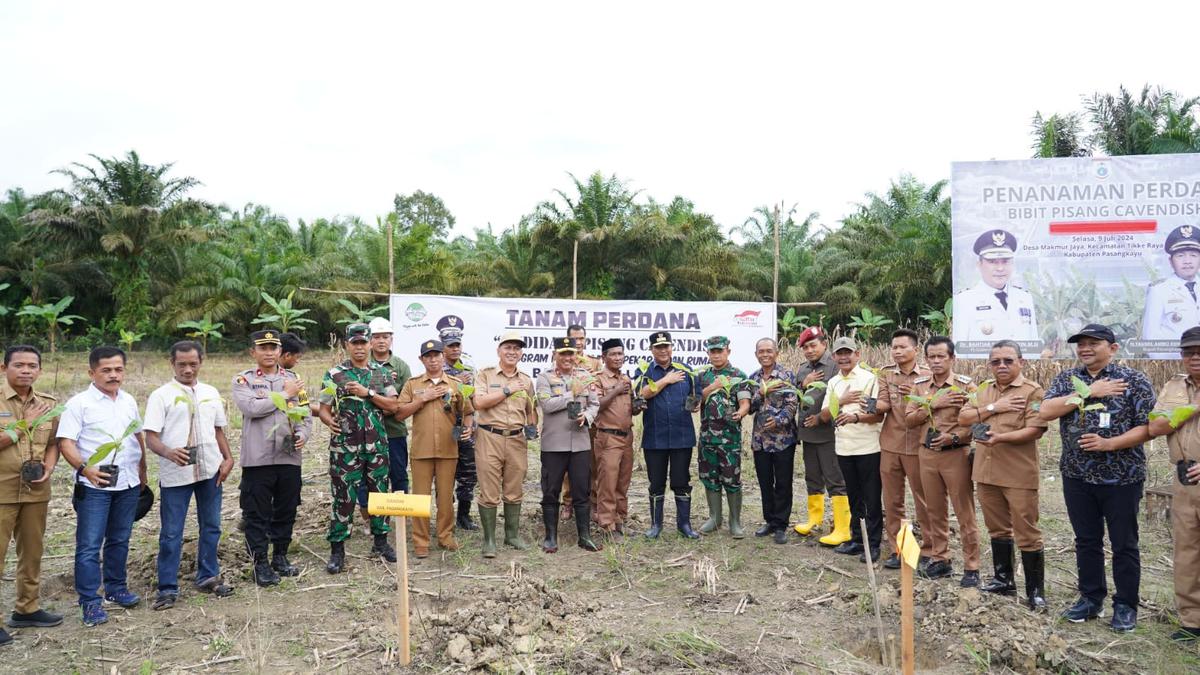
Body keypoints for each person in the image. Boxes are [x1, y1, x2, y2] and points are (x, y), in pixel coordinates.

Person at [1040, 323, 1154, 631]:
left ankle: (1126, 605)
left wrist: (1109, 444)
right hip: (1076, 476)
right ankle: (1091, 599)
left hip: (1122, 478)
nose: (1085, 348)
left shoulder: (1134, 380)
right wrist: (1089, 392)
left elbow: (1148, 427)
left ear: (1113, 348)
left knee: (1124, 544)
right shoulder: (1068, 379)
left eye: (1094, 343)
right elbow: (1045, 410)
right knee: (1086, 541)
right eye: (1081, 343)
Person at [57, 346, 147, 626]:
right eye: (106, 370)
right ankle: (90, 602)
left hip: (128, 482)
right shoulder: (79, 403)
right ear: (92, 372)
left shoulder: (129, 400)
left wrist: (142, 468)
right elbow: (66, 443)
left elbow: (136, 435)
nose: (113, 375)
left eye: (118, 369)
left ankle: (116, 588)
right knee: (89, 545)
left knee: (120, 539)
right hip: (94, 486)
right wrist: (86, 469)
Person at [959, 340, 1051, 608]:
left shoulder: (1032, 392)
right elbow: (964, 418)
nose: (1001, 366)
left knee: (1027, 531)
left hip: (1017, 472)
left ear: (1021, 362)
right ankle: (1004, 580)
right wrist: (992, 409)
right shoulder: (983, 390)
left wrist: (1001, 438)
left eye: (1008, 360)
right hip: (986, 472)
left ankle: (1035, 592)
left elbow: (1036, 429)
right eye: (995, 361)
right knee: (997, 528)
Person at [143, 341, 235, 610]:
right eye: (182, 364)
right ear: (172, 363)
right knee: (172, 533)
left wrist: (228, 458)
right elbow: (151, 437)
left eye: (193, 364)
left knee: (212, 525)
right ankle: (168, 587)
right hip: (176, 473)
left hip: (210, 469)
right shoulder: (161, 396)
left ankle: (208, 575)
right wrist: (168, 452)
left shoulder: (210, 392)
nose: (187, 369)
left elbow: (218, 430)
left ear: (201, 362)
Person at [232, 330, 312, 587]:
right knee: (257, 513)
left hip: (289, 456)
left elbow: (305, 413)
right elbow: (251, 409)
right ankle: (260, 564)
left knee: (286, 509)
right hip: (258, 459)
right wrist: (284, 395)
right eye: (263, 348)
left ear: (280, 352)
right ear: (252, 352)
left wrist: (302, 434)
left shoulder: (293, 379)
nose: (268, 352)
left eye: (273, 348)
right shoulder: (243, 381)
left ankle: (280, 556)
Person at [318, 323, 400, 573]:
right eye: (355, 343)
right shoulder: (335, 374)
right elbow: (323, 405)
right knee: (343, 497)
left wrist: (368, 393)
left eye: (364, 342)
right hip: (345, 448)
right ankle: (337, 550)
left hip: (376, 447)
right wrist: (327, 419)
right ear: (347, 345)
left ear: (371, 344)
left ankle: (380, 542)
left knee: (379, 495)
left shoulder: (381, 373)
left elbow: (392, 406)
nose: (360, 347)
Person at [904, 336, 980, 587]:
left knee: (964, 510)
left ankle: (972, 566)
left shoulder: (964, 387)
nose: (936, 361)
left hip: (955, 455)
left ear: (952, 358)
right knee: (933, 509)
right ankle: (940, 558)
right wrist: (933, 404)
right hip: (927, 455)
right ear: (926, 359)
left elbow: (977, 424)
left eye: (941, 357)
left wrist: (954, 437)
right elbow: (909, 419)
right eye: (932, 357)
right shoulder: (920, 386)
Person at [0, 345, 62, 641]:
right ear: (4, 368)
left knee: (32, 553)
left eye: (32, 365)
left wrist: (50, 466)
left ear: (40, 370)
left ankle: (27, 609)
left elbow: (54, 442)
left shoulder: (49, 403)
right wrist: (23, 424)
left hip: (36, 490)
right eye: (19, 365)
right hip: (2, 490)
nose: (26, 370)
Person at [396, 339, 473, 557]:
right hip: (421, 450)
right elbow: (400, 413)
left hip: (448, 449)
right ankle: (421, 541)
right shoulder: (413, 384)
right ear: (422, 360)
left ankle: (445, 536)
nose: (433, 360)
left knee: (446, 496)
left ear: (443, 356)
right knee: (420, 497)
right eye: (428, 356)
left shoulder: (456, 384)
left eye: (436, 355)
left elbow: (467, 411)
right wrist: (423, 399)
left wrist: (468, 428)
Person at [1148, 326, 1200, 642]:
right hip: (1184, 480)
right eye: (1188, 352)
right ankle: (1192, 621)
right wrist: (1192, 408)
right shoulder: (1174, 386)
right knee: (1187, 551)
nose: (1194, 358)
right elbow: (1156, 426)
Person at [471, 331, 538, 558]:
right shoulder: (486, 376)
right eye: (508, 347)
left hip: (517, 439)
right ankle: (489, 540)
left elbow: (531, 410)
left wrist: (532, 425)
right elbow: (479, 403)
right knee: (489, 490)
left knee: (514, 488)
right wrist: (508, 390)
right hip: (490, 437)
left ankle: (512, 535)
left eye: (517, 349)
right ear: (499, 350)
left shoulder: (527, 380)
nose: (512, 352)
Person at [819, 337, 885, 563]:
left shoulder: (870, 379)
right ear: (834, 357)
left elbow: (878, 414)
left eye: (848, 352)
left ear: (857, 354)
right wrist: (840, 400)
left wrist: (855, 417)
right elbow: (825, 415)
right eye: (839, 353)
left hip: (868, 447)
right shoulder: (833, 383)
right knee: (854, 496)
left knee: (872, 497)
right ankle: (857, 539)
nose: (844, 357)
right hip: (844, 448)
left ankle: (873, 543)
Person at [536, 337, 602, 552]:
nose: (567, 358)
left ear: (576, 355)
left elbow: (594, 404)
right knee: (551, 490)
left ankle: (585, 536)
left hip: (580, 444)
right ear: (555, 354)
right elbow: (546, 405)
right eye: (562, 353)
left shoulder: (585, 377)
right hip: (554, 444)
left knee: (581, 491)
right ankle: (550, 537)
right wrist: (571, 393)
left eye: (570, 353)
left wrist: (588, 416)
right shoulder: (545, 378)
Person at [874, 329, 933, 570]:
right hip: (891, 445)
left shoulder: (929, 375)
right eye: (894, 347)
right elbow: (883, 403)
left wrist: (918, 398)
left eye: (902, 347)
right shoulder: (886, 374)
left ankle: (930, 550)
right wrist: (869, 406)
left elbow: (936, 407)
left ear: (915, 350)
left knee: (925, 499)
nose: (897, 351)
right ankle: (899, 549)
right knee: (892, 500)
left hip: (919, 446)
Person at [637, 331, 701, 540]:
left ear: (672, 347)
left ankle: (684, 524)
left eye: (666, 346)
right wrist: (666, 379)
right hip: (655, 437)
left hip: (682, 435)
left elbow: (696, 395)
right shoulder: (645, 371)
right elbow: (642, 393)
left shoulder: (686, 370)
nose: (663, 350)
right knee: (656, 482)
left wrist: (695, 404)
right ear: (651, 350)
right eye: (658, 347)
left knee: (681, 481)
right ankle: (656, 525)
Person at [790, 327, 847, 544]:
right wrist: (803, 384)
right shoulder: (804, 368)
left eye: (813, 345)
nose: (809, 350)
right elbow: (796, 395)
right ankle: (815, 519)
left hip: (828, 432)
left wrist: (821, 419)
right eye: (805, 347)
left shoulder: (834, 366)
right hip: (807, 433)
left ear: (824, 344)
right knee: (812, 477)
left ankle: (842, 526)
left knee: (835, 478)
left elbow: (838, 398)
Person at [695, 336, 751, 538]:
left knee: (732, 479)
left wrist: (742, 411)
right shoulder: (703, 377)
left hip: (730, 439)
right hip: (707, 438)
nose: (716, 355)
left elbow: (745, 400)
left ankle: (735, 522)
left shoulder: (738, 375)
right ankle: (714, 518)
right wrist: (713, 386)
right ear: (708, 353)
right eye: (712, 351)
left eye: (720, 350)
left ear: (728, 351)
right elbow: (693, 402)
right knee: (710, 478)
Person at [748, 337, 799, 545]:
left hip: (783, 440)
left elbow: (792, 405)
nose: (765, 354)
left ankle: (781, 525)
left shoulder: (787, 376)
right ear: (756, 354)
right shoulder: (753, 378)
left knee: (783, 483)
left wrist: (778, 421)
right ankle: (769, 520)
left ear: (776, 353)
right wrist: (759, 395)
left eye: (769, 350)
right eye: (761, 351)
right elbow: (749, 407)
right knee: (765, 482)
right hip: (760, 441)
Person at [953, 229, 1039, 343]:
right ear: (979, 264)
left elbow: (1033, 343)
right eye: (992, 262)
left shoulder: (1024, 298)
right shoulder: (964, 300)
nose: (1000, 268)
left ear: (1012, 263)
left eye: (1005, 261)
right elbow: (960, 350)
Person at [366, 317, 412, 500]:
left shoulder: (401, 366)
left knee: (398, 475)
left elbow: (407, 399)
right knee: (369, 477)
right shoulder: (361, 364)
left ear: (391, 339)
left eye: (385, 336)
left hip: (394, 431)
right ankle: (373, 519)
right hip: (366, 432)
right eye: (376, 337)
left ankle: (400, 518)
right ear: (370, 340)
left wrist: (388, 408)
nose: (381, 340)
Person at [593, 338, 635, 536]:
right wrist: (616, 390)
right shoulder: (597, 379)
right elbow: (596, 405)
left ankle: (620, 519)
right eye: (613, 354)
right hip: (608, 437)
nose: (618, 358)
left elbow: (629, 409)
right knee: (607, 483)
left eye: (620, 354)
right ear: (604, 357)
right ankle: (607, 525)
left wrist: (638, 406)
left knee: (622, 482)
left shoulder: (626, 378)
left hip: (627, 437)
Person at [1141, 225, 1200, 357]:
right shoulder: (1159, 291)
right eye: (1180, 256)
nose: (1187, 261)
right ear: (1171, 261)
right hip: (1177, 364)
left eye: (1193, 255)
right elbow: (1151, 341)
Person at [561, 324, 600, 522]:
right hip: (567, 419)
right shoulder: (562, 359)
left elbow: (599, 388)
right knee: (568, 463)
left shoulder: (594, 363)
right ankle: (568, 503)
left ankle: (592, 502)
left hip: (589, 421)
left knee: (591, 463)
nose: (579, 343)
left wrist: (586, 373)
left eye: (582, 339)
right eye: (575, 339)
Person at [441, 324, 478, 530]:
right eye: (450, 346)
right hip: (445, 427)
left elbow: (474, 398)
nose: (455, 349)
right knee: (446, 474)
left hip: (466, 427)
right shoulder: (438, 369)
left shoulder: (469, 369)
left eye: (457, 345)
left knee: (468, 473)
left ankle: (464, 515)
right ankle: (446, 515)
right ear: (443, 348)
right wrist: (454, 384)